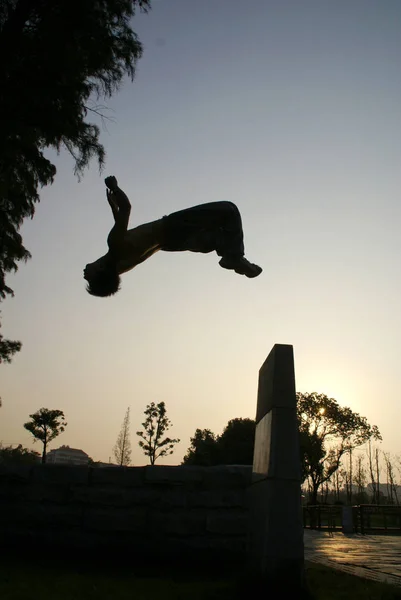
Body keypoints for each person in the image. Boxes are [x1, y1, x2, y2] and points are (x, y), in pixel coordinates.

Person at [84, 176, 262, 297]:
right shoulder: (114, 244)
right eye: (88, 277)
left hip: (172, 244)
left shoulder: (120, 266)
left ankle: (231, 255)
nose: (84, 273)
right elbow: (126, 209)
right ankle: (235, 258)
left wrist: (114, 211)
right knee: (228, 210)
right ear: (100, 270)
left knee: (218, 236)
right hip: (172, 227)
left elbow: (124, 233)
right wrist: (115, 188)